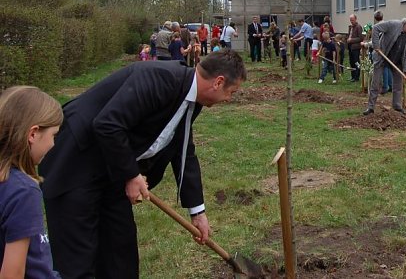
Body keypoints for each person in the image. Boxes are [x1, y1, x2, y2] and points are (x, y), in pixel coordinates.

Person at [40, 51, 247, 279]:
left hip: (111, 168)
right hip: (75, 162)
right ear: (218, 82)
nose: (229, 99)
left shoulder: (190, 100)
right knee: (77, 257)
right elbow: (108, 124)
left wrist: (197, 212)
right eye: (231, 92)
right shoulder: (160, 78)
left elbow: (183, 151)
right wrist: (131, 175)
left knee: (120, 249)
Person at [0, 86, 63, 278]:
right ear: (33, 134)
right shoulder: (23, 191)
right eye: (54, 135)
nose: (53, 144)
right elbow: (12, 274)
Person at [362, 17, 406, 115]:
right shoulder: (394, 24)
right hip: (382, 56)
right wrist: (376, 46)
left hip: (397, 60)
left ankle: (397, 106)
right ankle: (370, 107)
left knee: (398, 85)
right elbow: (376, 28)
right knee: (376, 83)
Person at [346, 14, 363, 82]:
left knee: (356, 62)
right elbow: (349, 35)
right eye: (350, 20)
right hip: (350, 47)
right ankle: (352, 76)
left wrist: (351, 40)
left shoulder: (358, 27)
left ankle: (356, 77)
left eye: (352, 20)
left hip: (356, 47)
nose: (351, 21)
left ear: (356, 19)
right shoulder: (350, 27)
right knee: (351, 62)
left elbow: (360, 38)